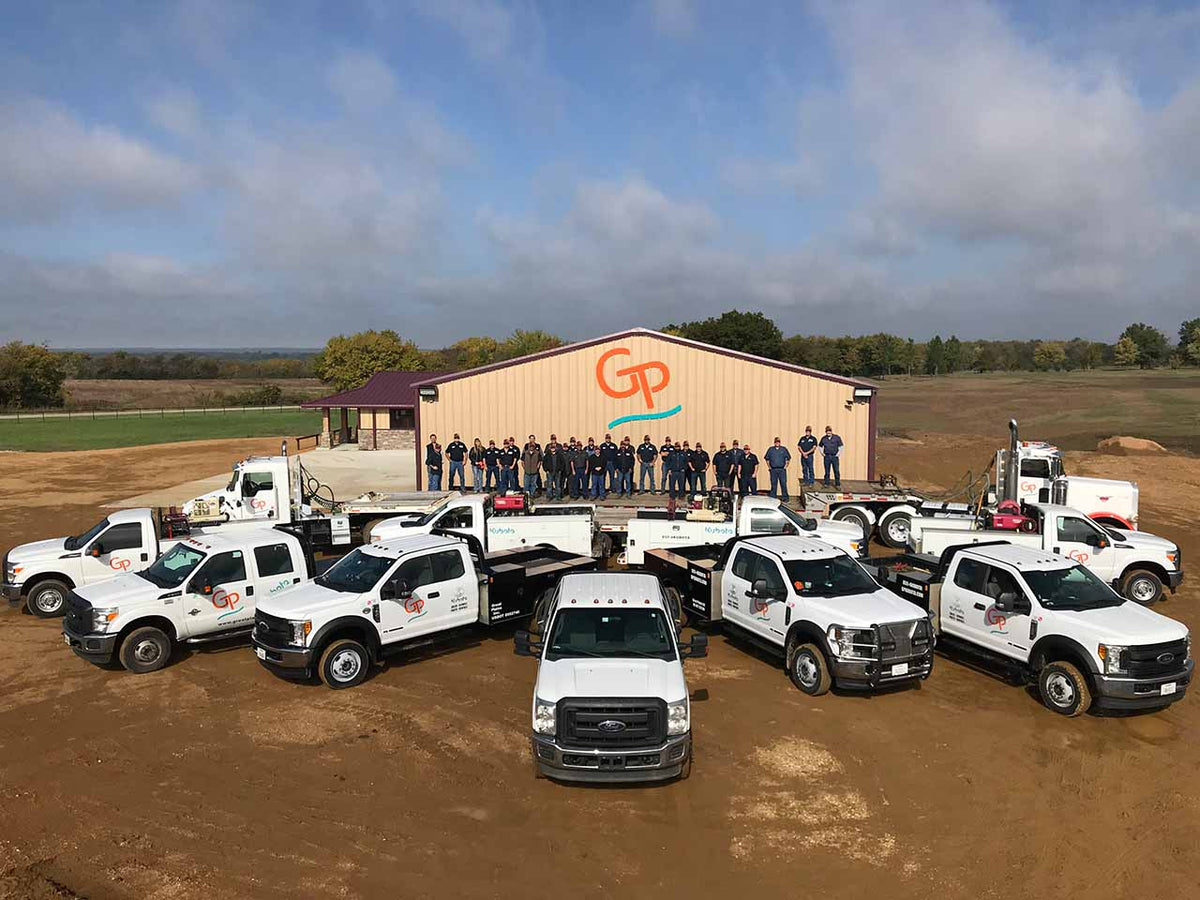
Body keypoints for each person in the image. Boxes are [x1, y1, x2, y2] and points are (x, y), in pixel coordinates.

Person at [764, 436, 792, 501]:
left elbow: (788, 458)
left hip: (781, 470)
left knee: (783, 483)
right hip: (773, 470)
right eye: (776, 442)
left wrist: (786, 466)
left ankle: (785, 497)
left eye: (778, 442)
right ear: (774, 442)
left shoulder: (783, 449)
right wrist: (769, 467)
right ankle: (773, 497)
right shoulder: (771, 449)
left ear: (780, 442)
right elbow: (767, 459)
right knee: (773, 484)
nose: (777, 443)